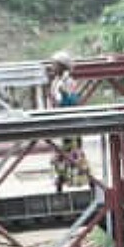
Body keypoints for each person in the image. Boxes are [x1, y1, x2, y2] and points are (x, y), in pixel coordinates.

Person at [48, 52, 89, 193]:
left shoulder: (69, 82)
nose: (52, 67)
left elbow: (74, 102)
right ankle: (59, 185)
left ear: (62, 66)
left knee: (72, 153)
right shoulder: (55, 82)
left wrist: (64, 93)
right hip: (60, 124)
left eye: (55, 64)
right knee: (61, 154)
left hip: (70, 124)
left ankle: (92, 184)